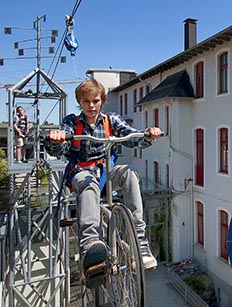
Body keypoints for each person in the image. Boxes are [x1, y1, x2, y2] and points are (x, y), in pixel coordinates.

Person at [44, 79, 162, 287]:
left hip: (107, 171)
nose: (91, 106)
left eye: (95, 101)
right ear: (80, 103)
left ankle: (140, 240)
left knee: (129, 174)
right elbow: (59, 150)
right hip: (82, 171)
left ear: (102, 101)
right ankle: (90, 243)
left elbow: (130, 136)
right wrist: (56, 139)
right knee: (88, 184)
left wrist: (147, 136)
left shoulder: (111, 120)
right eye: (86, 101)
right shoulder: (72, 123)